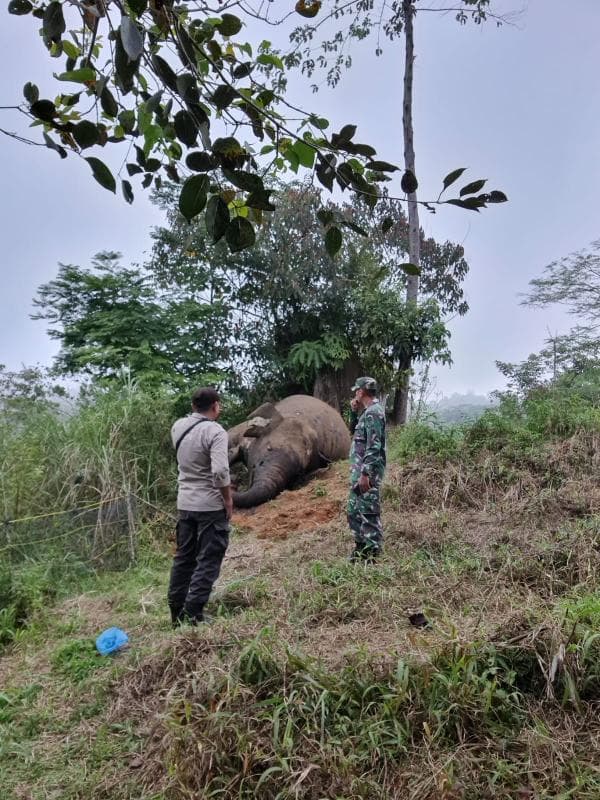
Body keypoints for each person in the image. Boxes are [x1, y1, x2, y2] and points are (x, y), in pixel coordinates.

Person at [167, 386, 233, 627]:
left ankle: (176, 613)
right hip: (209, 506)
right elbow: (220, 471)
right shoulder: (215, 431)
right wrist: (227, 499)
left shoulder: (178, 426)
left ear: (194, 406)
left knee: (184, 558)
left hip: (184, 503)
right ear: (215, 406)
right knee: (208, 559)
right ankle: (193, 614)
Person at [347, 376, 387, 562]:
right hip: (359, 471)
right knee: (354, 509)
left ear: (361, 391)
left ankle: (372, 552)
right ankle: (361, 546)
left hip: (367, 473)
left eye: (357, 390)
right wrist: (354, 412)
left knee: (369, 510)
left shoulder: (374, 413)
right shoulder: (366, 413)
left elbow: (374, 446)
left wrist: (365, 474)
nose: (355, 393)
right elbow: (353, 432)